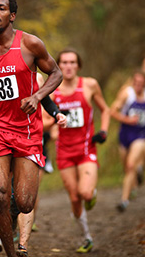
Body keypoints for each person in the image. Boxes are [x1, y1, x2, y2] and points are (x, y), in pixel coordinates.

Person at [0, 0, 62, 257]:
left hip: (27, 129)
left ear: (13, 15)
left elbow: (56, 72)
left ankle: (15, 212)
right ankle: (10, 252)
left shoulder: (30, 45)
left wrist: (38, 96)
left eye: (1, 8)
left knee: (25, 202)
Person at [52, 47, 110, 253]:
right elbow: (42, 119)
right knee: (75, 199)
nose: (68, 66)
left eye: (72, 62)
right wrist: (53, 125)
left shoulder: (90, 85)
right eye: (64, 63)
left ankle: (91, 190)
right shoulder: (53, 91)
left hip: (86, 149)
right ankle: (86, 237)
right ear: (58, 66)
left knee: (84, 193)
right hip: (64, 152)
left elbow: (105, 109)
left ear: (78, 65)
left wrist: (103, 130)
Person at [110, 70, 145, 212]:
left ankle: (124, 200)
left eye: (141, 84)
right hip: (125, 134)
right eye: (135, 83)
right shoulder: (127, 94)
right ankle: (135, 183)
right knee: (127, 166)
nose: (138, 86)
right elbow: (113, 111)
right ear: (132, 82)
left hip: (141, 135)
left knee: (131, 164)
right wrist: (127, 120)